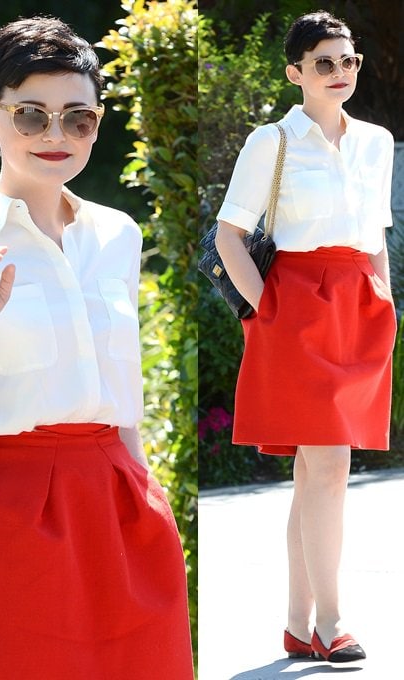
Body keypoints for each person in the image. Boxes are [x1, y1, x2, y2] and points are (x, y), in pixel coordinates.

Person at [0, 16, 193, 679]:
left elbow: (121, 389)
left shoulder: (117, 235)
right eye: (31, 116)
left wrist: (145, 496)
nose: (55, 136)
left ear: (98, 124)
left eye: (77, 119)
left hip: (117, 513)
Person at [215, 10, 396, 663]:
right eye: (324, 62)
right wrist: (268, 310)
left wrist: (386, 304)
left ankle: (297, 623)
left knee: (313, 471)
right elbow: (228, 236)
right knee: (327, 465)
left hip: (358, 305)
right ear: (294, 72)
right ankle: (331, 621)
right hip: (296, 304)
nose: (340, 72)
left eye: (347, 60)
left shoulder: (374, 141)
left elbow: (374, 234)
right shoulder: (273, 140)